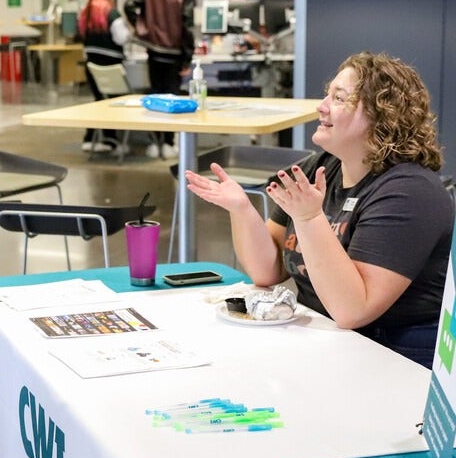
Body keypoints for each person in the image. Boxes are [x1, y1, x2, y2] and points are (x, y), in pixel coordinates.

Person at [185, 51, 454, 368]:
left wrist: (309, 218)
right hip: (329, 340)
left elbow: (353, 309)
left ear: (383, 116)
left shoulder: (409, 192)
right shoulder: (321, 168)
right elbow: (267, 271)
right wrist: (241, 209)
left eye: (339, 98)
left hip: (395, 355)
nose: (321, 106)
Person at [124, 0, 194, 159]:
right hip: (174, 53)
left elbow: (129, 5)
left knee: (155, 96)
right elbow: (187, 27)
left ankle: (154, 144)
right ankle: (168, 143)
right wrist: (187, 57)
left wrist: (142, 27)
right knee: (172, 99)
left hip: (153, 52)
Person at [77, 0, 131, 153]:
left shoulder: (86, 12)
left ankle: (90, 139)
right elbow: (121, 37)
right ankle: (111, 141)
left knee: (98, 102)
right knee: (114, 103)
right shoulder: (111, 12)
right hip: (112, 64)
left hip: (92, 64)